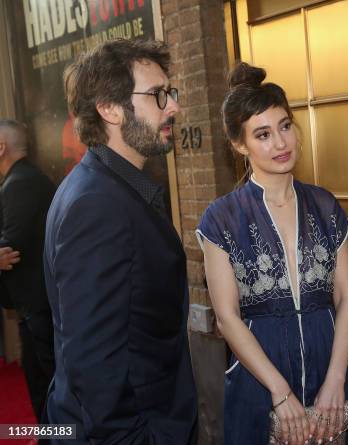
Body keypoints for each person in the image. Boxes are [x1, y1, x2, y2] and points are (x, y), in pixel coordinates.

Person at [196, 63, 348, 445]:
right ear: (240, 145)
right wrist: (280, 391)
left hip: (329, 360)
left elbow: (346, 298)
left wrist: (337, 379)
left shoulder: (325, 206)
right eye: (263, 134)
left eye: (285, 126)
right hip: (260, 370)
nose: (280, 143)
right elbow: (226, 317)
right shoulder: (222, 218)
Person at [43, 39, 197, 444]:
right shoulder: (96, 204)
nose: (173, 107)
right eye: (158, 95)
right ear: (110, 109)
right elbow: (92, 364)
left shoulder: (111, 188)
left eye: (171, 92)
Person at [0, 119, 55, 420]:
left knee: (47, 380)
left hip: (38, 304)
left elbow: (10, 248)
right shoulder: (22, 179)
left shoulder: (19, 183)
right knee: (39, 379)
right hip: (35, 303)